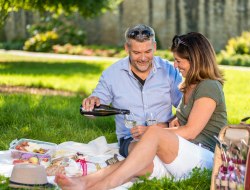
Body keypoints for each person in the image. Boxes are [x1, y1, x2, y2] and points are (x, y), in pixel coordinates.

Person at [55, 32, 227, 190]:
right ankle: (85, 181)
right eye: (174, 60)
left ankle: (102, 187)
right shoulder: (190, 85)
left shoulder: (209, 86)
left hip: (205, 159)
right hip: (183, 158)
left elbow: (190, 131)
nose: (175, 65)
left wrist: (155, 132)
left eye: (179, 61)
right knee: (139, 163)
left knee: (153, 133)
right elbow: (185, 121)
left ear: (195, 60)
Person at [82, 24, 182, 157]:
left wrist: (164, 126)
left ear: (155, 47)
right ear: (126, 48)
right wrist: (90, 103)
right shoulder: (111, 74)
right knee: (144, 153)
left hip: (166, 133)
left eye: (148, 51)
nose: (143, 58)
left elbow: (185, 107)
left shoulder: (170, 71)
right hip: (130, 140)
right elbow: (93, 111)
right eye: (136, 53)